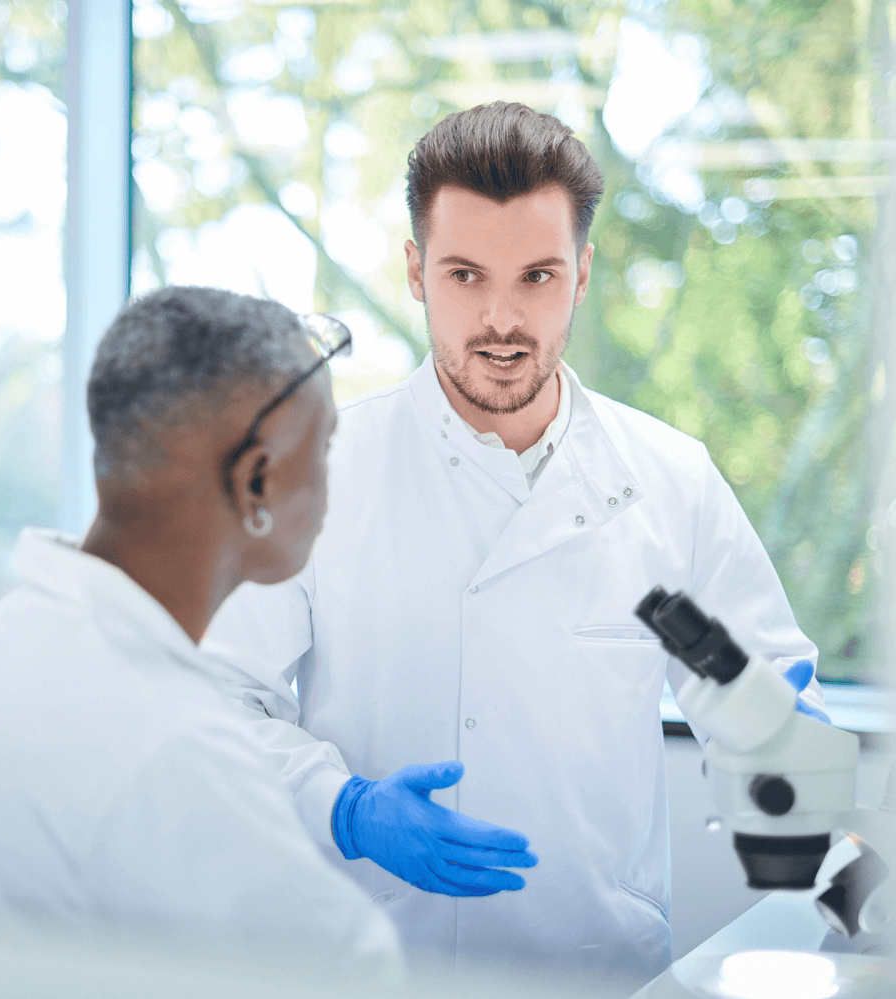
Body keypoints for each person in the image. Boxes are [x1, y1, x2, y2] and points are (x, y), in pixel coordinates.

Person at [201, 103, 827, 984]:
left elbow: (766, 714)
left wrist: (787, 746)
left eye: (536, 276)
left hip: (595, 969)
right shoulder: (316, 469)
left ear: (582, 274)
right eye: (465, 275)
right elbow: (214, 701)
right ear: (416, 272)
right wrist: (343, 807)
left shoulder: (670, 481)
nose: (501, 318)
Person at [0, 288, 400, 973]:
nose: (330, 482)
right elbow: (351, 976)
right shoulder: (176, 748)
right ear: (256, 484)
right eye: (325, 449)